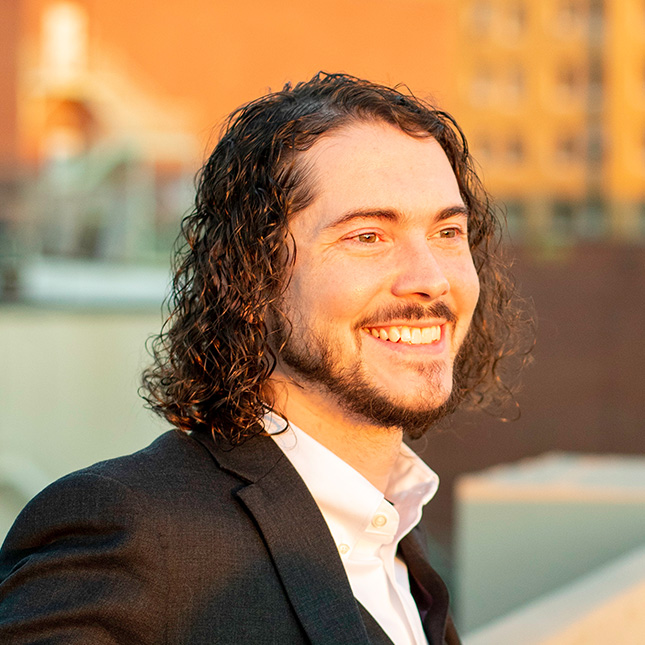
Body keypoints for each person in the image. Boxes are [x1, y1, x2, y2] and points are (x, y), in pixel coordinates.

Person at [0, 73, 529, 644]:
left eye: (448, 231)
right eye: (368, 236)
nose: (430, 279)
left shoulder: (396, 540)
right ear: (252, 279)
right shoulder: (131, 532)